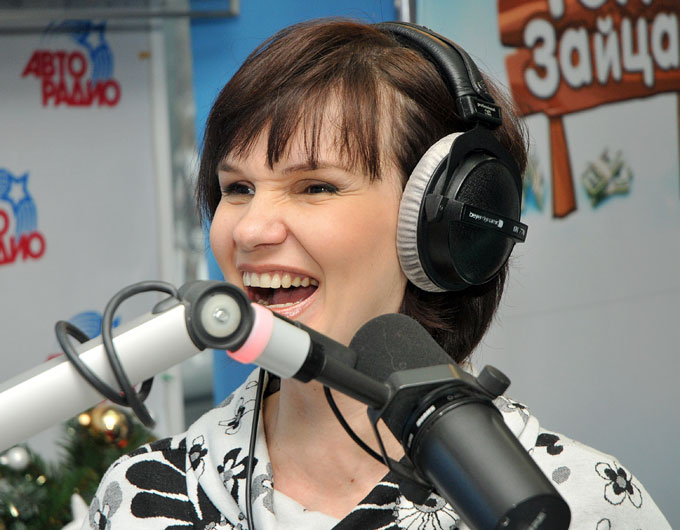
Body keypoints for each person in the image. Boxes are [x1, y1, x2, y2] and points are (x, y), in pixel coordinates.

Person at [82, 18, 670, 529]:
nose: (250, 229)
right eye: (237, 188)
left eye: (315, 187)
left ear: (443, 227)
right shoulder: (143, 497)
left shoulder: (580, 504)